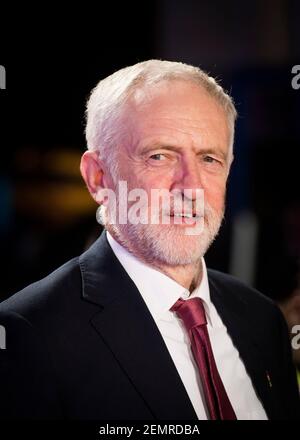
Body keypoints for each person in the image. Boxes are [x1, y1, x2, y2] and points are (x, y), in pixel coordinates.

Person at [0, 60, 299, 420]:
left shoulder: (262, 319)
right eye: (159, 156)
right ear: (98, 177)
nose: (191, 187)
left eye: (209, 159)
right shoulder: (28, 333)